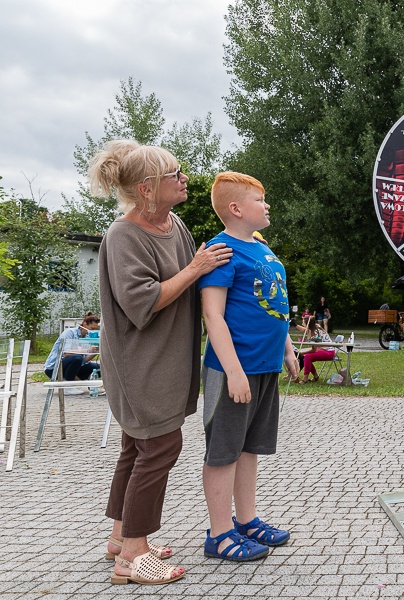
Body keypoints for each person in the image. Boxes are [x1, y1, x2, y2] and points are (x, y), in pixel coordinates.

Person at [92, 140, 232, 585]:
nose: (183, 177)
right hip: (140, 367)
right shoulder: (123, 235)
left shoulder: (175, 225)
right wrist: (195, 269)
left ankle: (120, 536)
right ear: (147, 188)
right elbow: (142, 302)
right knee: (159, 448)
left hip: (164, 363)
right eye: (174, 173)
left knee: (135, 449)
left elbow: (194, 279)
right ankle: (132, 556)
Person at [199, 171, 300, 562]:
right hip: (231, 372)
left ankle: (246, 521)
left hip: (266, 366)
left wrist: (288, 348)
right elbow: (214, 316)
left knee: (249, 449)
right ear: (236, 208)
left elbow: (274, 304)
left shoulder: (262, 249)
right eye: (260, 200)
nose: (267, 205)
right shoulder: (220, 251)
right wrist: (234, 371)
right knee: (223, 451)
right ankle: (220, 534)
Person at [43, 312, 101, 395]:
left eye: (95, 330)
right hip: (54, 367)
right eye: (91, 329)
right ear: (85, 324)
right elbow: (66, 353)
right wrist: (88, 350)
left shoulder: (87, 337)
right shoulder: (69, 333)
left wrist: (95, 351)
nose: (92, 332)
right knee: (76, 358)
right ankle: (68, 386)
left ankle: (90, 383)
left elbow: (84, 360)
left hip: (74, 364)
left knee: (98, 368)